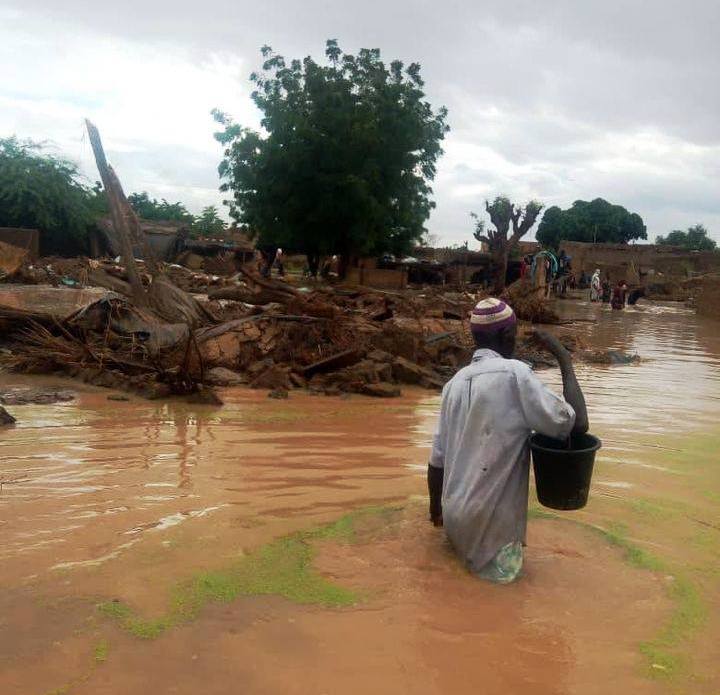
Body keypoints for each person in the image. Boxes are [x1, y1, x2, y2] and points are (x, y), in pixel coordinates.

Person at [427, 298, 588, 583]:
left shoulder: (453, 384)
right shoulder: (515, 374)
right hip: (491, 529)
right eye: (513, 332)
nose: (515, 339)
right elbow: (577, 425)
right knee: (500, 607)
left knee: (457, 590)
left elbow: (436, 461)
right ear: (504, 335)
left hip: (454, 519)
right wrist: (563, 357)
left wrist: (436, 516)